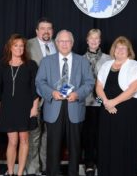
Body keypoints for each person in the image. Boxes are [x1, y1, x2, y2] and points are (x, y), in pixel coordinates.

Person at [35, 30, 95, 176]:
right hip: (53, 106)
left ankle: (73, 172)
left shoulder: (82, 61)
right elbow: (39, 82)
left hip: (74, 106)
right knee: (53, 145)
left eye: (67, 41)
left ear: (72, 43)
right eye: (61, 41)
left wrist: (78, 94)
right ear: (56, 43)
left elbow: (89, 82)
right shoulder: (46, 61)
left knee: (75, 146)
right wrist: (51, 93)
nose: (64, 44)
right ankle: (52, 172)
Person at [96, 36, 137, 176]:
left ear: (129, 51)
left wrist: (113, 102)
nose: (120, 50)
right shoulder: (106, 65)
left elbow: (134, 88)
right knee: (107, 142)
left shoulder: (134, 65)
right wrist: (106, 102)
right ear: (113, 50)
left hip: (126, 111)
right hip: (106, 109)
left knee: (123, 143)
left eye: (124, 48)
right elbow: (98, 87)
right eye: (118, 47)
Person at [0, 34, 40, 176]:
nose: (19, 48)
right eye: (16, 45)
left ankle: (20, 173)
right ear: (10, 47)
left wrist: (34, 107)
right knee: (12, 141)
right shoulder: (2, 65)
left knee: (24, 139)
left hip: (26, 108)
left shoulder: (31, 65)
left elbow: (35, 89)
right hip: (8, 108)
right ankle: (10, 171)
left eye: (21, 46)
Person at [25, 17, 56, 176]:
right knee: (34, 134)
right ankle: (32, 168)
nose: (46, 31)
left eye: (49, 28)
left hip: (54, 97)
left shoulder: (58, 44)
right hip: (34, 97)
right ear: (37, 31)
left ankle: (45, 166)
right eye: (42, 28)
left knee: (49, 134)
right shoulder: (27, 45)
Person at [82, 29, 111, 176]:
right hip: (86, 102)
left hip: (101, 101)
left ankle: (102, 161)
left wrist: (104, 100)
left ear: (100, 41)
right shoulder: (80, 59)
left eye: (97, 38)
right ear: (87, 40)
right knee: (88, 135)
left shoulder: (108, 59)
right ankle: (89, 163)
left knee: (102, 134)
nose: (94, 41)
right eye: (91, 38)